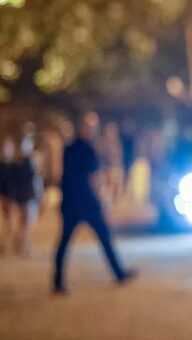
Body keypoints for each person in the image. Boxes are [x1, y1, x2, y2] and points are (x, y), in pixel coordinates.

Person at [53, 111, 136, 293]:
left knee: (68, 242)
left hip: (71, 201)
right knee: (102, 238)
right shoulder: (88, 149)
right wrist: (101, 199)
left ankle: (58, 281)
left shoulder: (69, 148)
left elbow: (62, 174)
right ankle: (118, 273)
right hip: (86, 202)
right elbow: (94, 177)